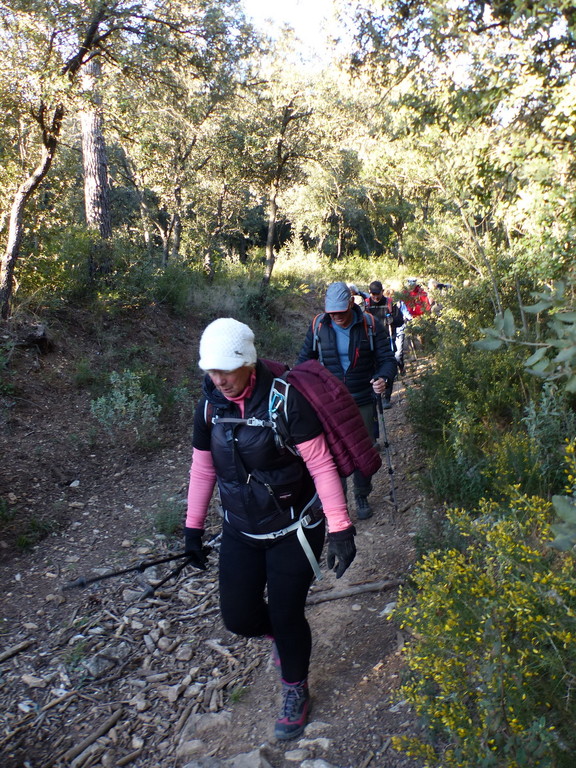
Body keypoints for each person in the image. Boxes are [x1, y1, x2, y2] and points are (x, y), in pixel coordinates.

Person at [184, 317, 357, 741]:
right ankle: (280, 639)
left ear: (249, 362)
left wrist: (340, 528)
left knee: (286, 612)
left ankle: (296, 691)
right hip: (240, 529)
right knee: (239, 617)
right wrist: (191, 529)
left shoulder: (285, 400)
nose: (219, 379)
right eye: (211, 370)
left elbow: (320, 464)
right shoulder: (209, 407)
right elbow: (203, 469)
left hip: (295, 529)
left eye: (227, 369)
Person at [296, 282, 397, 520]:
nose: (337, 316)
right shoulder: (319, 326)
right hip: (328, 403)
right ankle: (336, 501)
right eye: (332, 313)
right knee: (331, 453)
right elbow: (303, 362)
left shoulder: (370, 325)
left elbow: (387, 360)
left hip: (362, 397)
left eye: (341, 311)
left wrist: (382, 378)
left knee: (364, 449)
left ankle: (361, 493)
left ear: (351, 303)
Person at [365, 281, 412, 384]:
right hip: (370, 340)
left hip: (388, 340)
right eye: (373, 294)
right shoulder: (366, 305)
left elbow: (400, 321)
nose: (376, 297)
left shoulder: (390, 304)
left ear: (382, 291)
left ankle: (387, 392)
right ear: (369, 292)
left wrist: (393, 320)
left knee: (387, 365)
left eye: (378, 294)